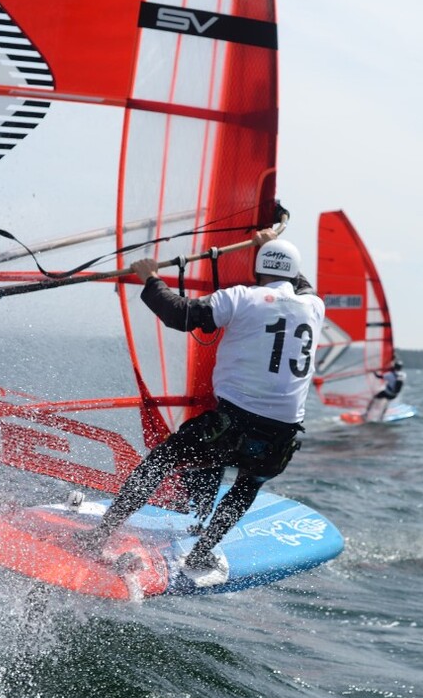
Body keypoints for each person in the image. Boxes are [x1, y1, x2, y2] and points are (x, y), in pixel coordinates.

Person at [83, 229, 325, 584]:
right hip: (281, 437)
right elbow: (299, 283)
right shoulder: (315, 306)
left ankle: (100, 536)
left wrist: (150, 278)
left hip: (232, 426)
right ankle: (202, 550)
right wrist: (270, 248)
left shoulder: (242, 297)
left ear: (257, 269)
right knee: (248, 484)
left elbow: (179, 315)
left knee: (162, 460)